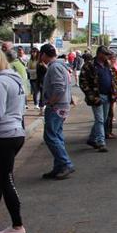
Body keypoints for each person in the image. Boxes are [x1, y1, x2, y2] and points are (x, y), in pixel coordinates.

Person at [0, 54, 27, 233]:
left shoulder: (1, 82)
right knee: (3, 177)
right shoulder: (15, 79)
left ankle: (17, 225)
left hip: (4, 134)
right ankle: (17, 224)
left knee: (5, 179)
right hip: (16, 131)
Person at [39, 44, 74, 179]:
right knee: (57, 135)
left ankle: (65, 163)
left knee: (50, 136)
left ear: (44, 54)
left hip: (57, 106)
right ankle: (59, 166)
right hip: (61, 105)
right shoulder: (60, 66)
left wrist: (51, 102)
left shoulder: (54, 67)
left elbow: (59, 88)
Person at [79, 45, 115, 152]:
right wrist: (90, 95)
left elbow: (112, 78)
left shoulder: (107, 65)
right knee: (99, 120)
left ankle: (92, 139)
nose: (107, 56)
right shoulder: (89, 65)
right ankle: (101, 142)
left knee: (103, 119)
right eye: (105, 54)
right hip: (96, 96)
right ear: (99, 54)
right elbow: (83, 82)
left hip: (107, 96)